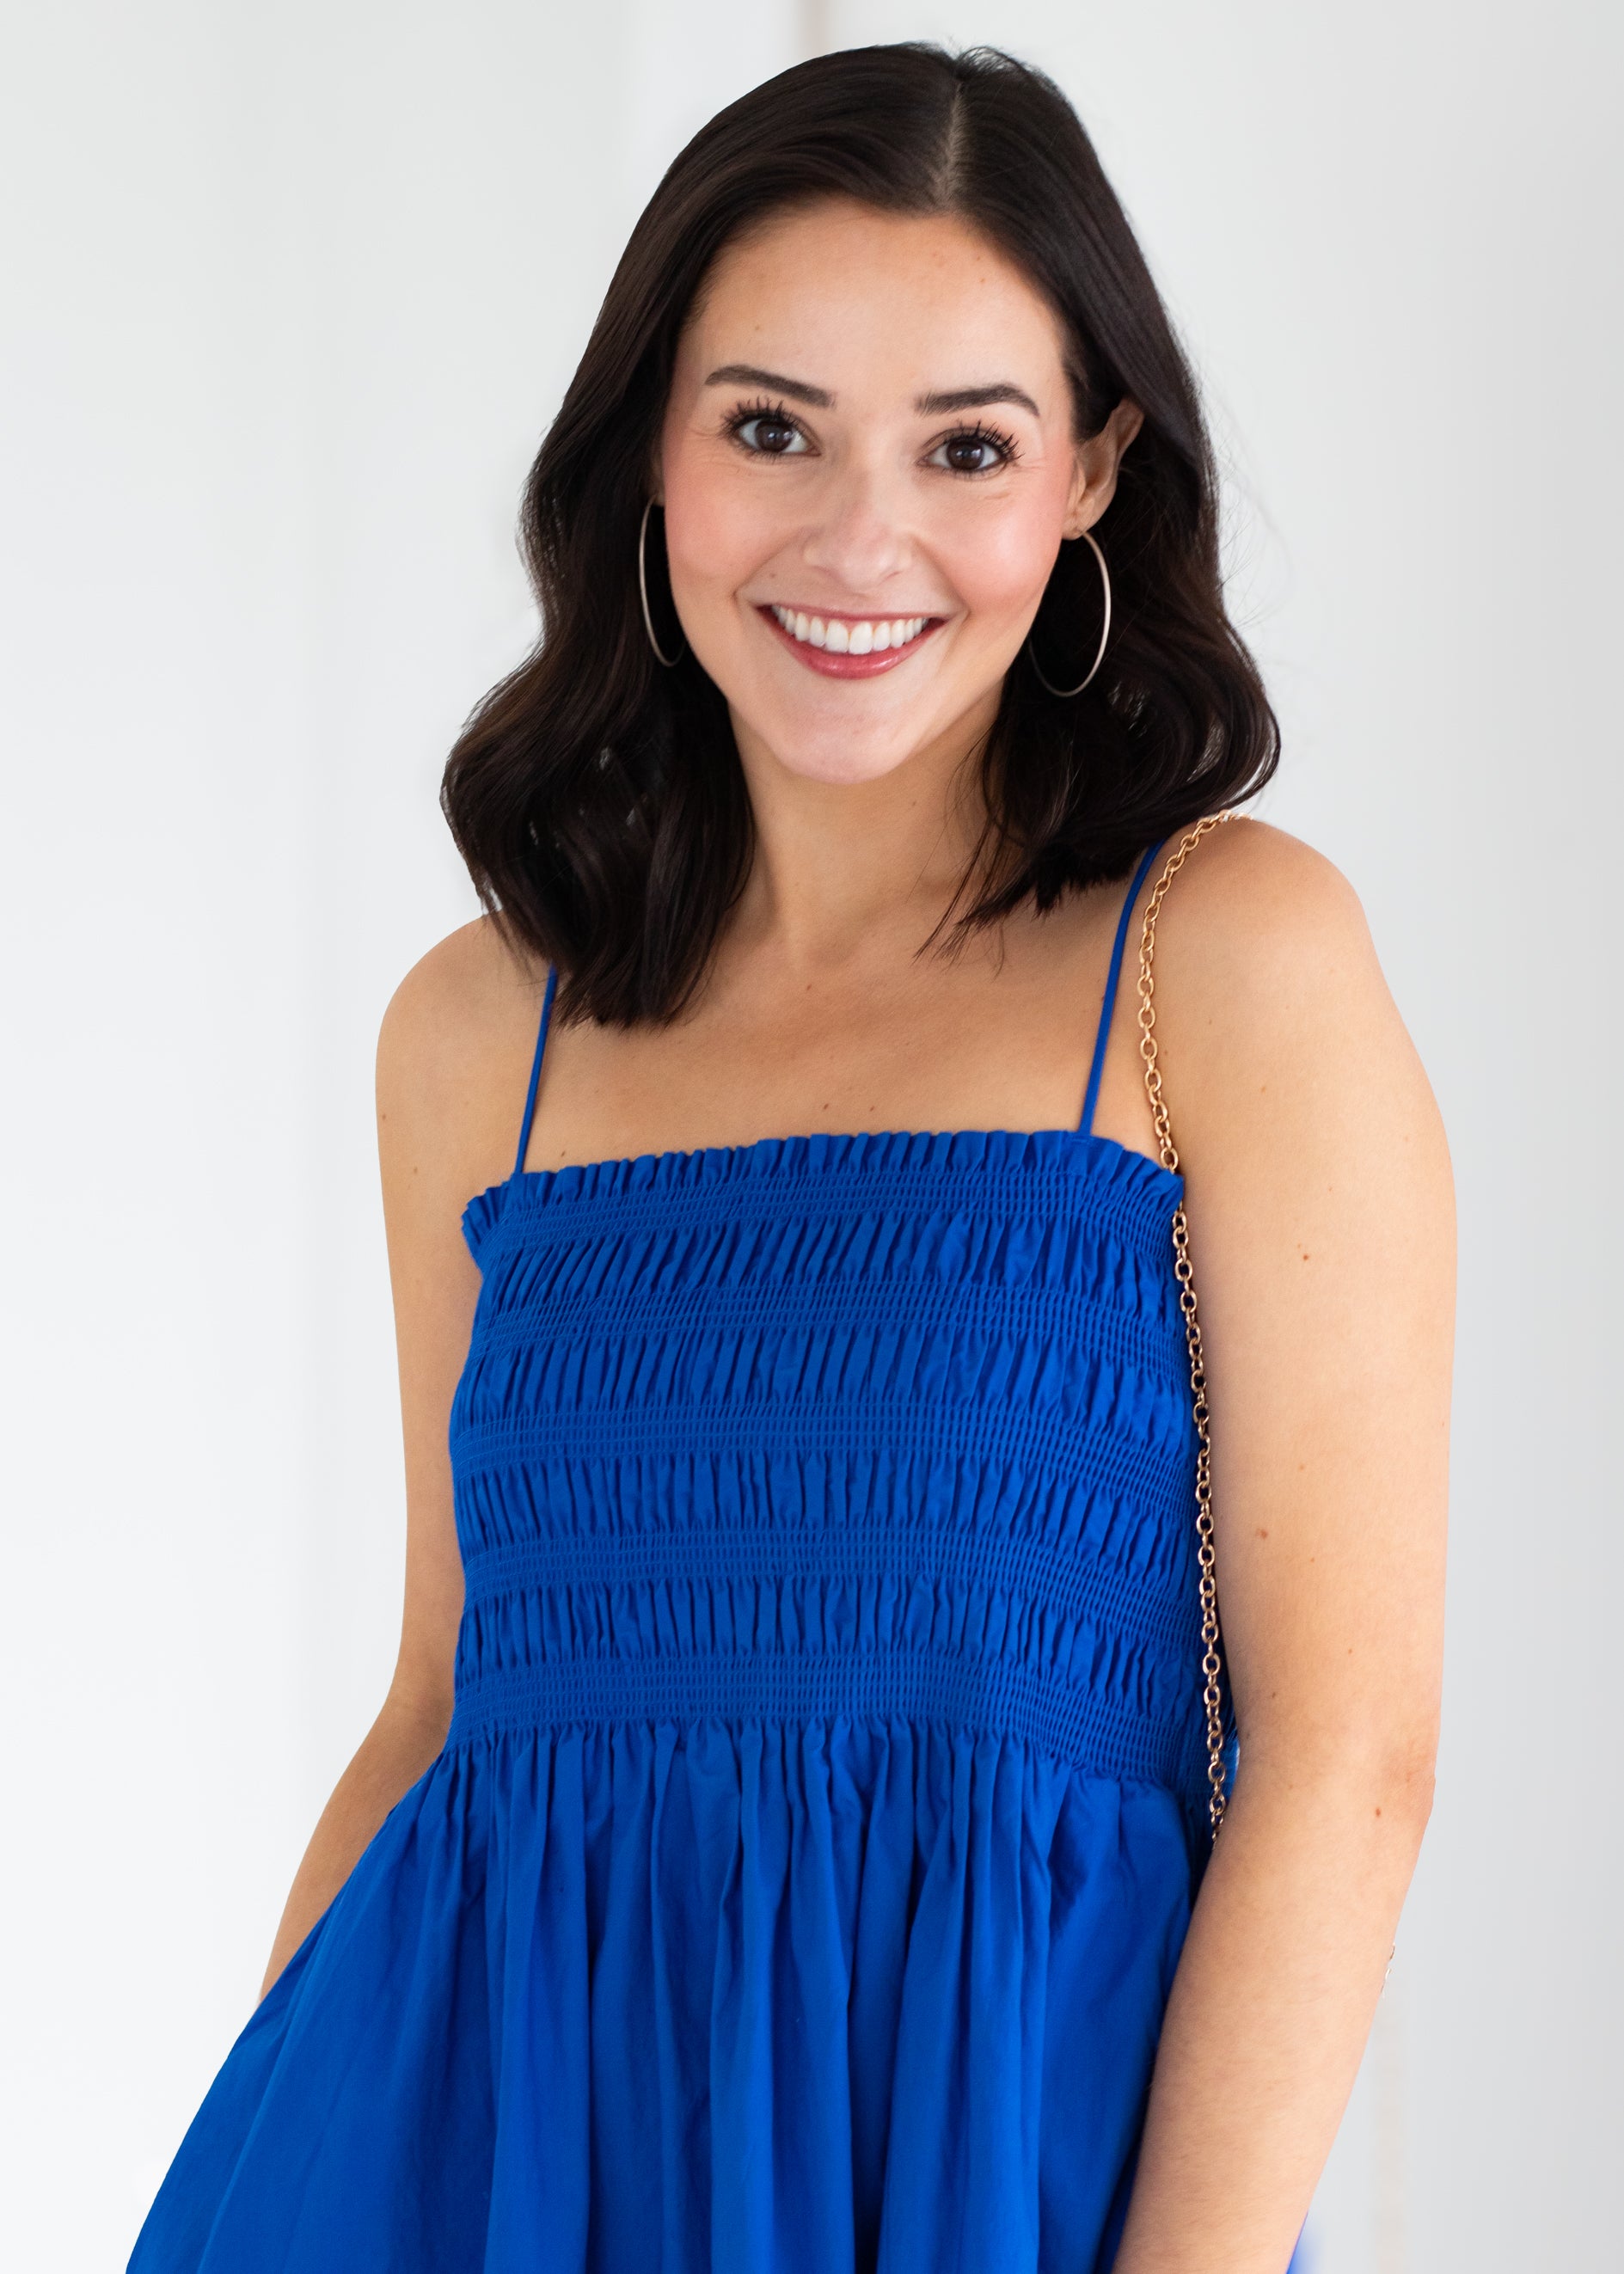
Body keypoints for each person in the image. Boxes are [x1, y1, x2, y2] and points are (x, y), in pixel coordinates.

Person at [128, 41, 1453, 2274]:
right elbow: (445, 1711)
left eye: (965, 446)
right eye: (770, 428)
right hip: (485, 2181)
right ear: (652, 447)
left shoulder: (1220, 962)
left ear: (1096, 473)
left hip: (990, 2180)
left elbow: (1346, 1759)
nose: (862, 540)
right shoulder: (481, 1031)